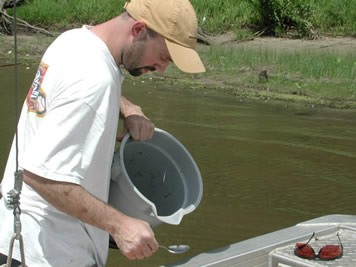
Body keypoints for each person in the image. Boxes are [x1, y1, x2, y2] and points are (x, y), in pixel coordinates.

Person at [0, 0, 205, 266]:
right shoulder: (94, 80)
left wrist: (128, 108)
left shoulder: (74, 41)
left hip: (14, 237)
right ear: (139, 29)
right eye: (164, 56)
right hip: (49, 253)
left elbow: (77, 89)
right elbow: (39, 175)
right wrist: (120, 225)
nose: (163, 68)